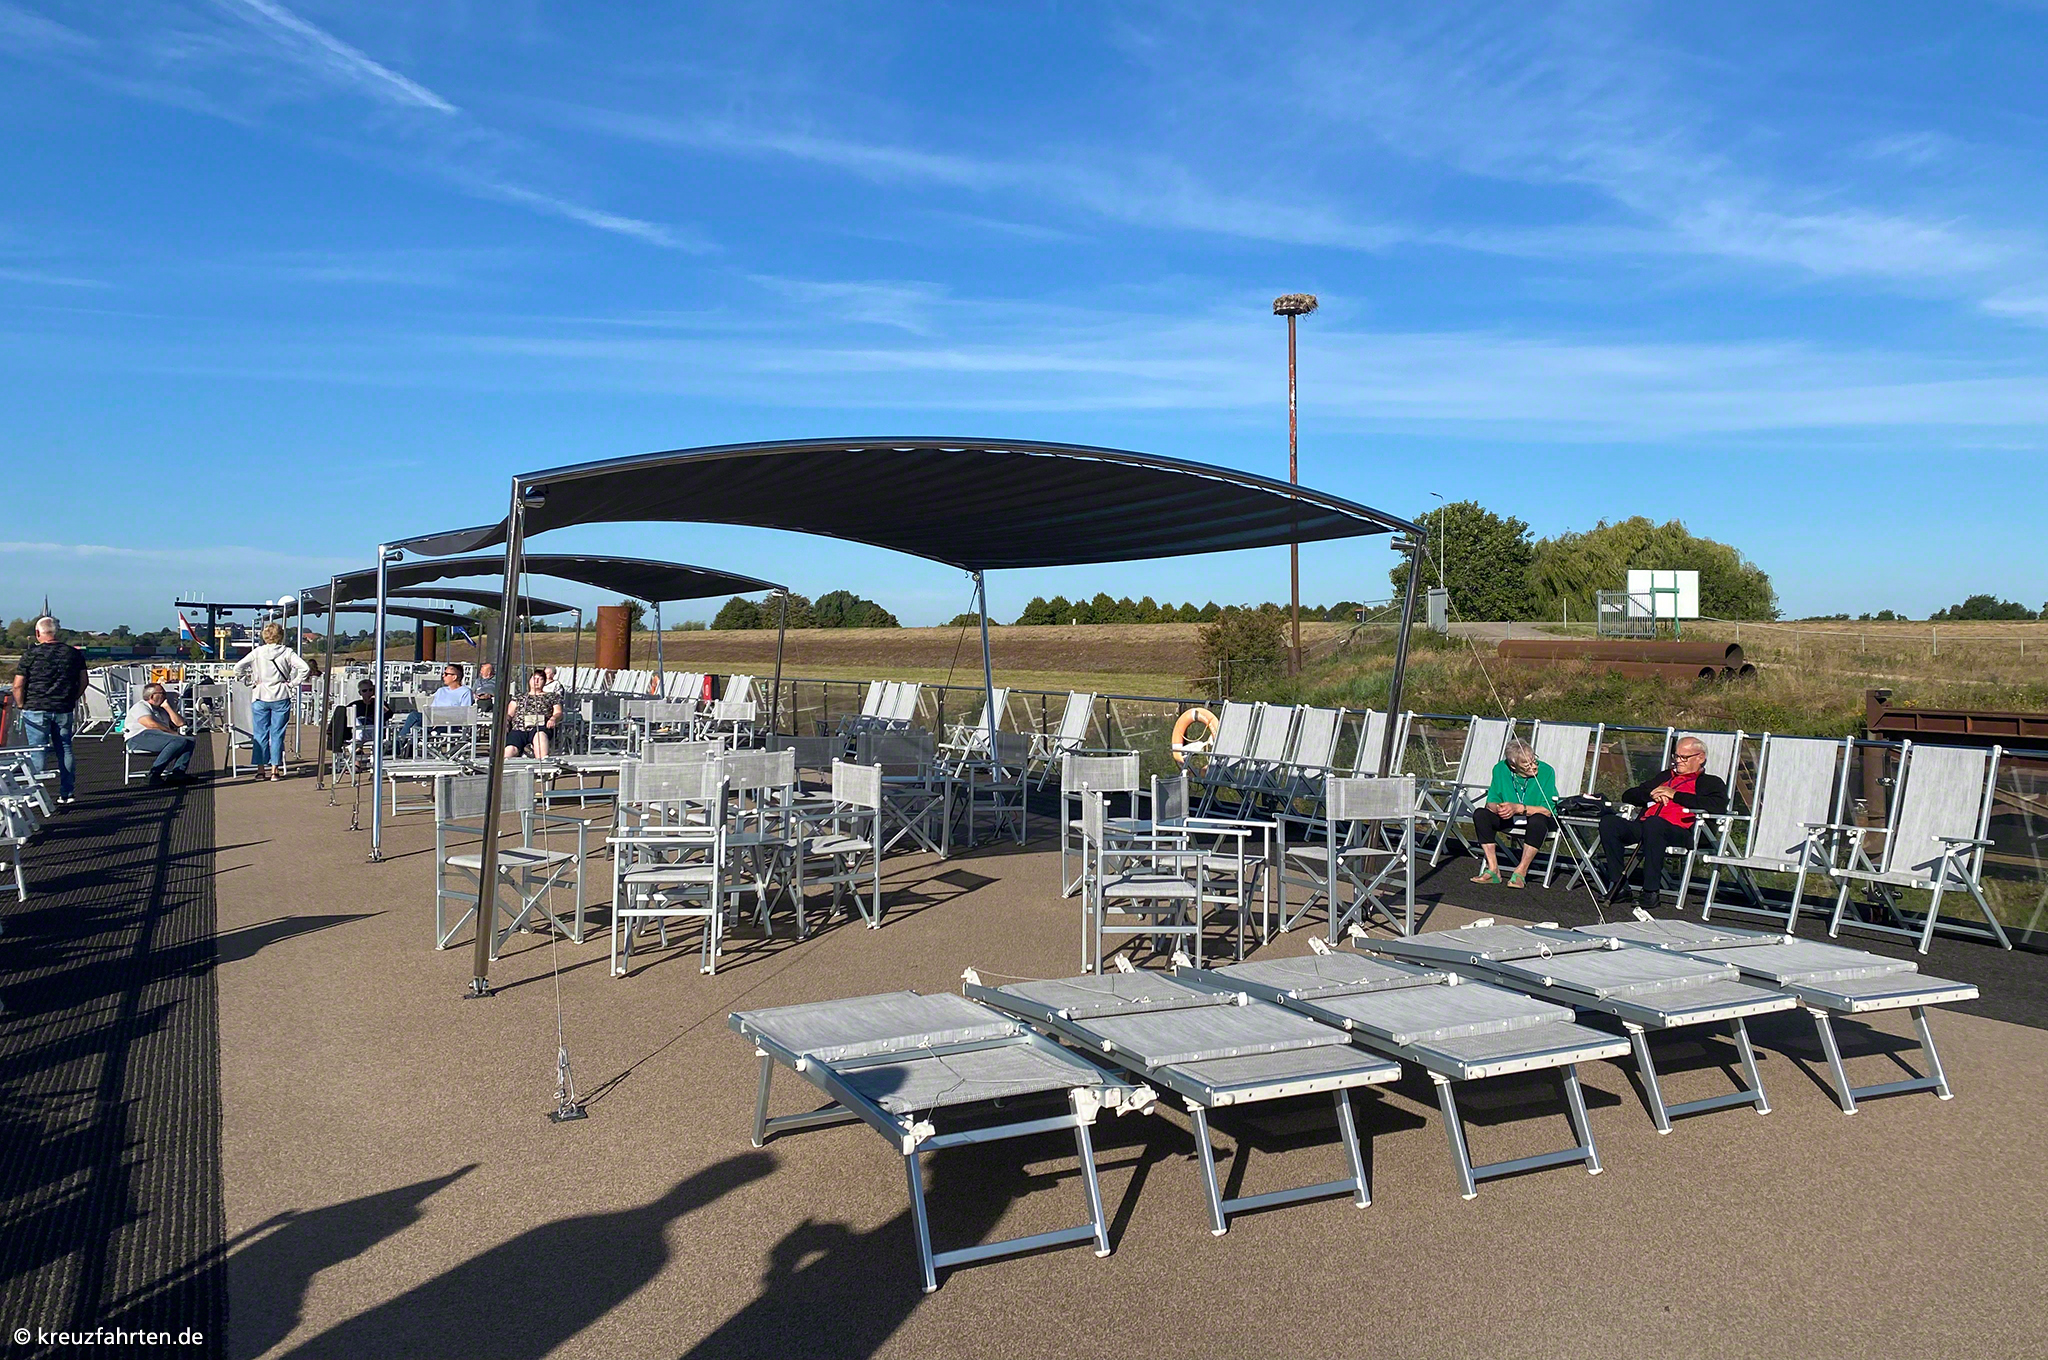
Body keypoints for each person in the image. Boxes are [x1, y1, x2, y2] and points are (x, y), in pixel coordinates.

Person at [1598, 736, 1730, 904]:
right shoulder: (1665, 777)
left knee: (1655, 824)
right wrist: (1650, 794)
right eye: (1676, 756)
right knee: (1609, 823)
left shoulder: (1711, 782)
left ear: (1700, 758)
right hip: (1647, 825)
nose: (1678, 761)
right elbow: (1628, 795)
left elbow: (1718, 806)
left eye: (1684, 757)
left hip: (1681, 831)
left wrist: (1675, 795)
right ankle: (1620, 885)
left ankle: (1650, 891)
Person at [11, 616, 87, 805]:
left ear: (38, 633)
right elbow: (84, 681)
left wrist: (20, 704)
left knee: (37, 750)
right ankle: (67, 792)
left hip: (35, 708)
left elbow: (18, 685)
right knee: (65, 748)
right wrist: (71, 698)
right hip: (63, 708)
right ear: (56, 632)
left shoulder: (31, 654)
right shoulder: (73, 654)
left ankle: (37, 794)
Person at [1468, 736, 1558, 888]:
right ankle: (1493, 869)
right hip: (1510, 817)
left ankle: (1521, 871)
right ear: (1513, 766)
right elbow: (1491, 800)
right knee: (1480, 814)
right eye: (1527, 765)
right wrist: (1499, 808)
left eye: (1534, 761)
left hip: (1537, 817)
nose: (1533, 766)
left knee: (1538, 819)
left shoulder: (1546, 771)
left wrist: (1518, 808)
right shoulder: (1500, 769)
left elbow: (1547, 810)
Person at [234, 622, 311, 780]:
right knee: (277, 734)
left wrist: (248, 681)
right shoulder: (287, 652)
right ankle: (275, 770)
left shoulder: (258, 652)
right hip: (281, 694)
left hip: (260, 694)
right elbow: (305, 668)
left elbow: (238, 668)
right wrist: (293, 683)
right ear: (281, 636)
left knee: (260, 734)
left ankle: (260, 770)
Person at [124, 682, 197, 785]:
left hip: (159, 737)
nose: (165, 696)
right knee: (179, 740)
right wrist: (172, 732)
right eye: (162, 693)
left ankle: (178, 773)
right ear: (152, 696)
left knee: (190, 741)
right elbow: (150, 724)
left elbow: (180, 723)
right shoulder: (141, 706)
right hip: (138, 737)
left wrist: (167, 707)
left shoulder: (162, 710)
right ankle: (153, 775)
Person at [504, 671, 563, 759]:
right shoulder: (519, 697)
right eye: (534, 678)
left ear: (544, 682)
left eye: (540, 679)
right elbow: (509, 713)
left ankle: (542, 762)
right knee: (509, 750)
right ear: (530, 680)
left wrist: (553, 719)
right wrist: (506, 721)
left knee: (540, 737)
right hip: (519, 728)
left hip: (540, 727)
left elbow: (558, 712)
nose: (536, 681)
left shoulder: (552, 696)